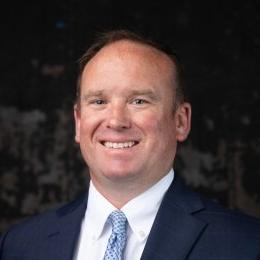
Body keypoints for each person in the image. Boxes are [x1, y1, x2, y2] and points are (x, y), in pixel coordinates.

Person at [0, 29, 260, 260]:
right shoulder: (19, 246)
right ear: (79, 122)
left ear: (181, 121)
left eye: (139, 101)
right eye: (99, 101)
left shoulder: (246, 245)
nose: (116, 121)